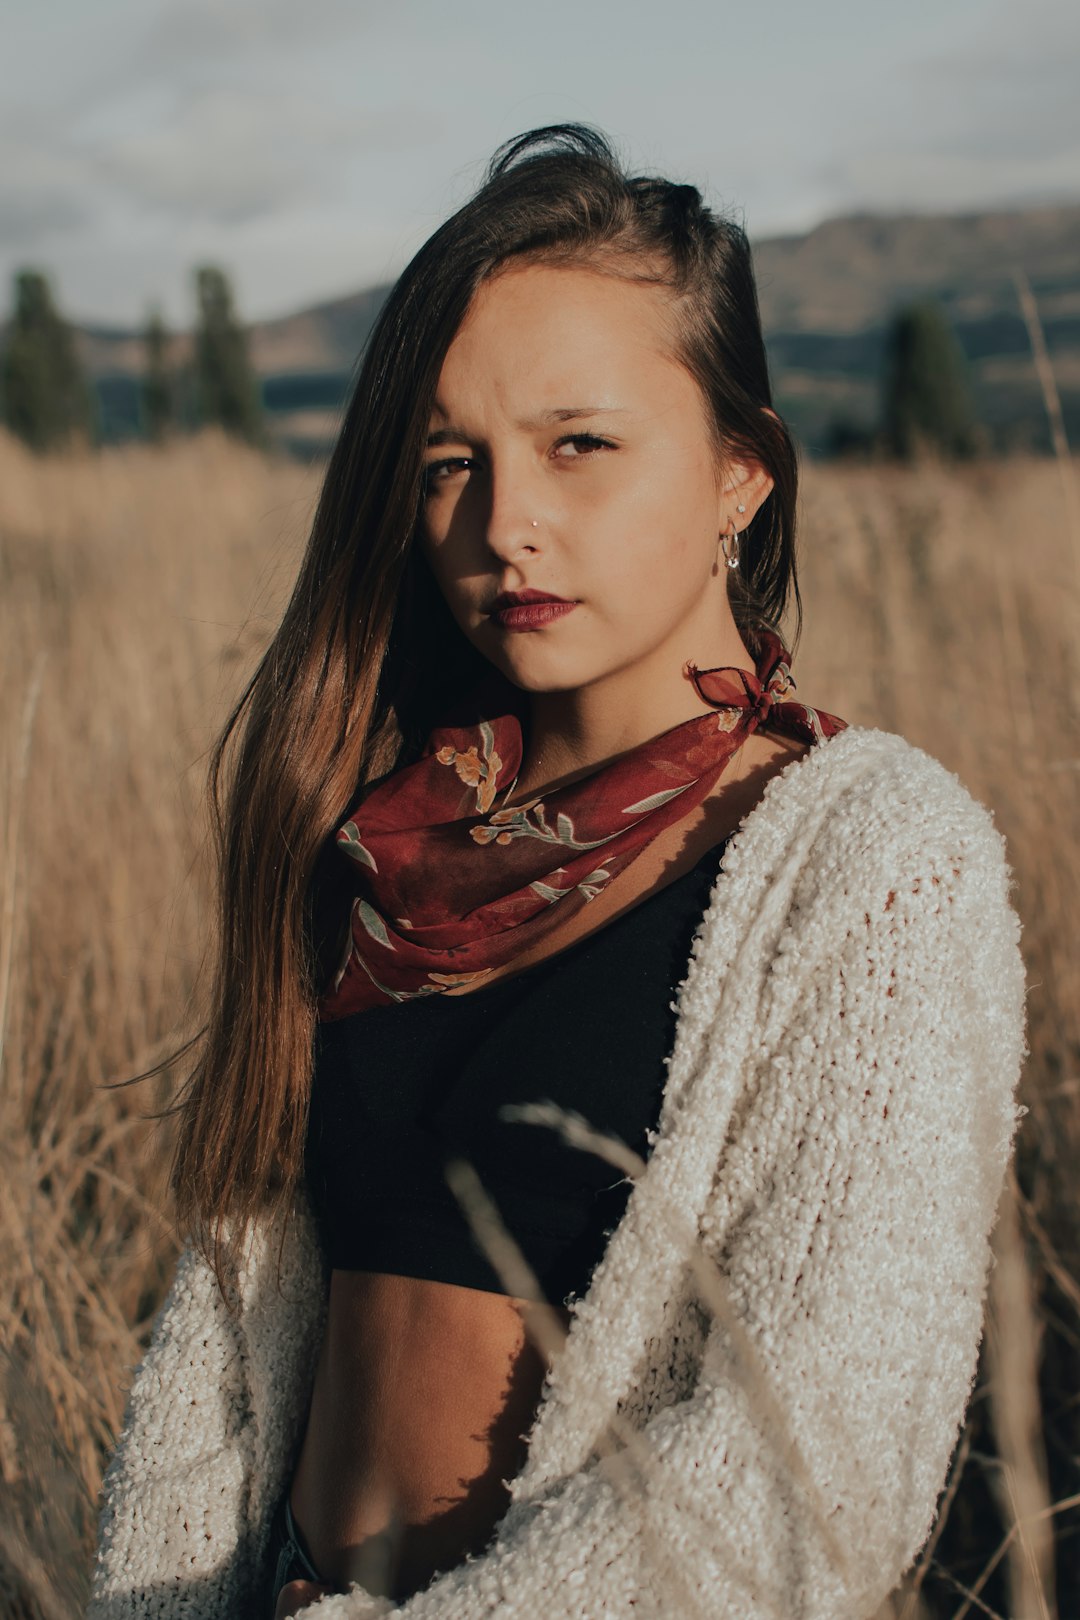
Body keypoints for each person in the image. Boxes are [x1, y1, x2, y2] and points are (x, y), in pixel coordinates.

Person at [87, 125, 1027, 1620]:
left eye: (577, 444)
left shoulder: (871, 866)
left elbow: (816, 1467)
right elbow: (234, 1340)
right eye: (451, 461)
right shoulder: (385, 838)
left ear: (741, 475)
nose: (503, 522)